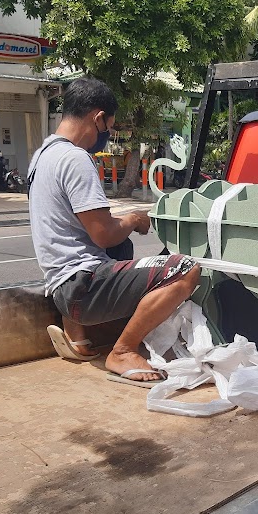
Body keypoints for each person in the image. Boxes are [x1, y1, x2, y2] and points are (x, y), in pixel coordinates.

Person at [28, 77, 200, 384]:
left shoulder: (42, 156)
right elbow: (104, 234)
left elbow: (82, 227)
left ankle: (76, 334)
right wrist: (134, 220)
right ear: (98, 118)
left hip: (60, 288)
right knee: (185, 269)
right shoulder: (75, 159)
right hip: (82, 289)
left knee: (121, 251)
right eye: (109, 126)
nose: (108, 134)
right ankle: (122, 350)